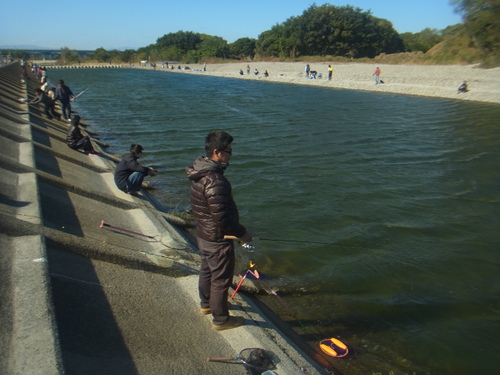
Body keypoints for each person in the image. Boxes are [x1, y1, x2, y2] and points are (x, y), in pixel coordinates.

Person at [185, 131, 252, 330]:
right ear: (217, 152)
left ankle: (207, 305)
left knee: (206, 271)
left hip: (204, 235)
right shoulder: (215, 180)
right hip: (217, 240)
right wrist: (242, 233)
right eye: (228, 151)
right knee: (221, 280)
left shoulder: (199, 172)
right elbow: (221, 217)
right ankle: (221, 319)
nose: (231, 155)